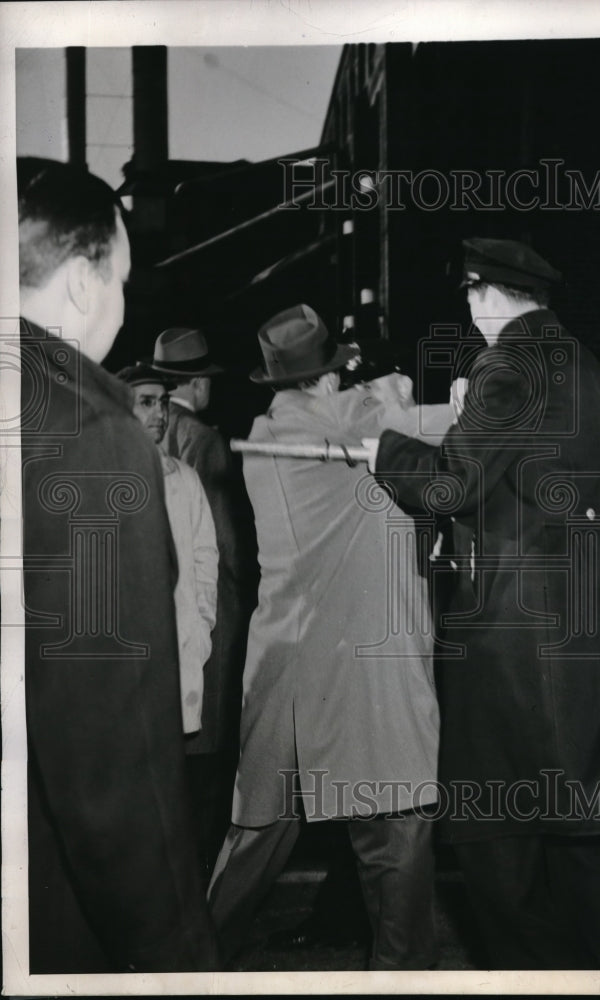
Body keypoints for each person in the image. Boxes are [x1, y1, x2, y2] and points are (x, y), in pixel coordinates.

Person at [364, 238, 600, 970]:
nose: (467, 309)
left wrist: (383, 446)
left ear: (486, 292)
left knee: (494, 850)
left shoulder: (509, 364)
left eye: (469, 294)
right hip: (588, 623)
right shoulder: (583, 363)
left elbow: (454, 485)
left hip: (515, 636)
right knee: (584, 849)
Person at [207, 304, 454, 971]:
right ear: (325, 379)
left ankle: (186, 959)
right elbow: (414, 414)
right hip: (357, 667)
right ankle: (404, 977)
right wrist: (401, 384)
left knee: (257, 829)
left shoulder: (270, 429)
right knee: (397, 828)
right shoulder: (340, 422)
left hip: (285, 662)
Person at [17, 157, 218, 973]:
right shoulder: (89, 433)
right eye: (122, 280)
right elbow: (113, 754)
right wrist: (177, 954)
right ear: (79, 281)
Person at [150, 326, 257, 875]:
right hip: (212, 617)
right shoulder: (207, 441)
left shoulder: (149, 436)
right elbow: (227, 546)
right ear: (199, 383)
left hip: (162, 624)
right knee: (208, 767)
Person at [116, 363, 219, 739]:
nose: (159, 413)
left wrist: (201, 625)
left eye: (162, 402)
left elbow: (206, 557)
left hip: (181, 652)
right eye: (146, 403)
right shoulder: (106, 479)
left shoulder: (185, 478)